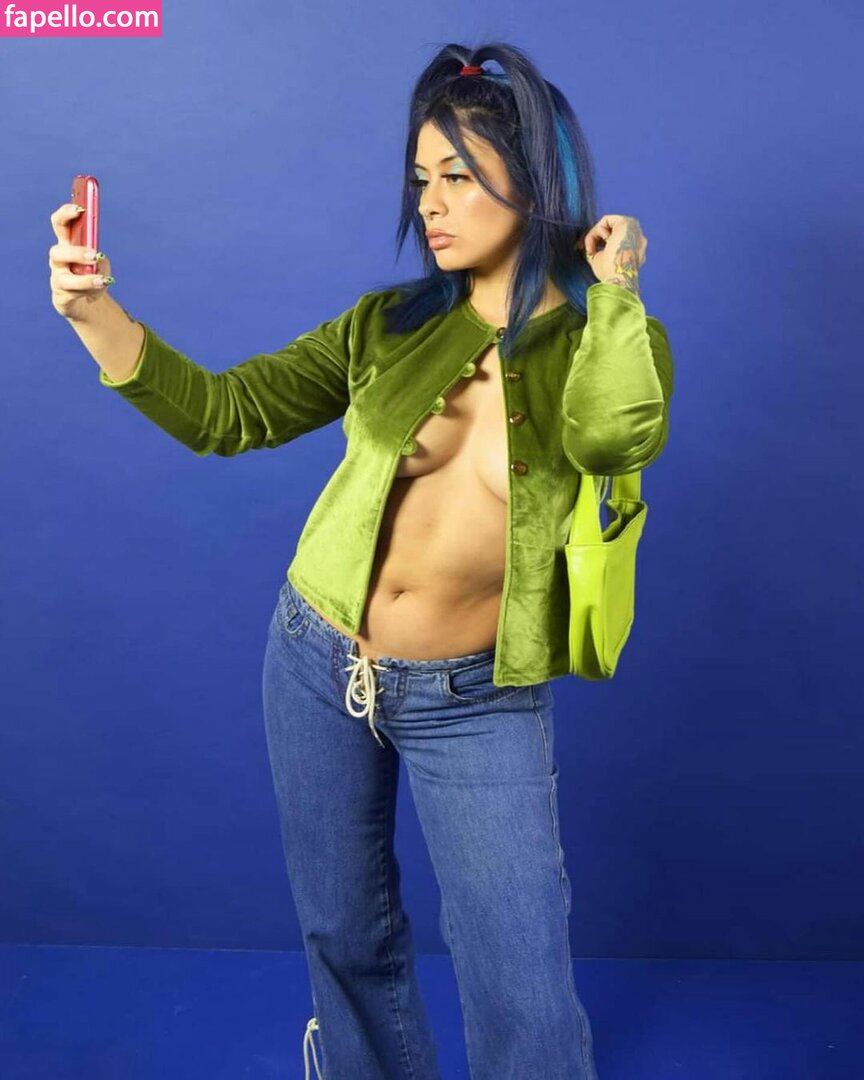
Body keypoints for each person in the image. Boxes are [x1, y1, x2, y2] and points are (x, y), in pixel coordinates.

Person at [49, 40, 674, 1080]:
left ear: (536, 181)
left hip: (475, 695)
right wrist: (93, 313)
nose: (430, 204)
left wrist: (614, 290)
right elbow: (227, 414)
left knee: (519, 976)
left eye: (459, 176)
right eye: (421, 179)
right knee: (345, 938)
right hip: (315, 657)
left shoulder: (609, 341)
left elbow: (616, 440)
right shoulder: (386, 325)